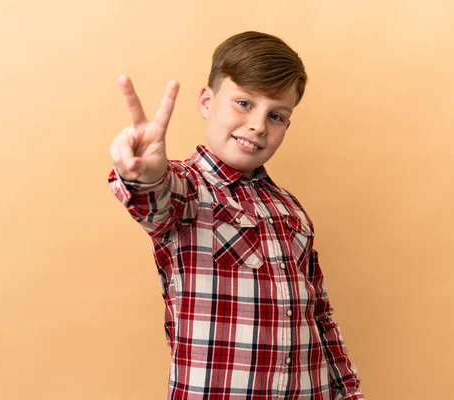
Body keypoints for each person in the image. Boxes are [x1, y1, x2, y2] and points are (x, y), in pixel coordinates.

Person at [108, 31, 364, 400]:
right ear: (207, 102)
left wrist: (349, 393)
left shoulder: (290, 209)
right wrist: (143, 176)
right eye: (244, 103)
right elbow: (154, 198)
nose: (258, 125)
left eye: (276, 115)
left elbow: (320, 315)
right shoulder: (189, 191)